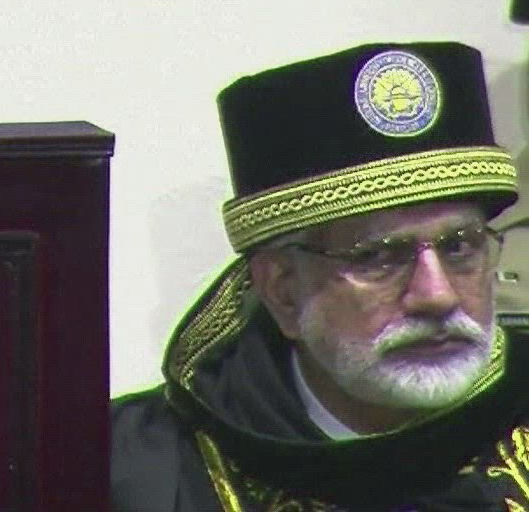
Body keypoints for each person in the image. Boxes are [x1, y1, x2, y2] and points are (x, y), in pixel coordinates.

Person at [111, 41, 529, 511]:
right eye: (378, 257)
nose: (437, 296)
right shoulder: (135, 472)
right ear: (283, 292)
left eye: (459, 247)